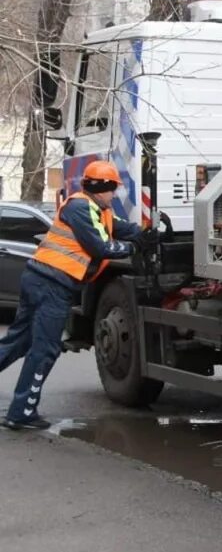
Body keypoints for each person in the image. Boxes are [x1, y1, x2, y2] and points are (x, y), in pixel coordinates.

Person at [0, 161, 144, 429]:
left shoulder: (99, 210)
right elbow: (102, 246)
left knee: (18, 342)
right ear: (101, 187)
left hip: (40, 278)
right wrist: (133, 249)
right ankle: (21, 413)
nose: (115, 194)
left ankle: (20, 410)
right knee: (44, 349)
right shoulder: (81, 208)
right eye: (113, 189)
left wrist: (147, 232)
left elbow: (123, 229)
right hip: (51, 284)